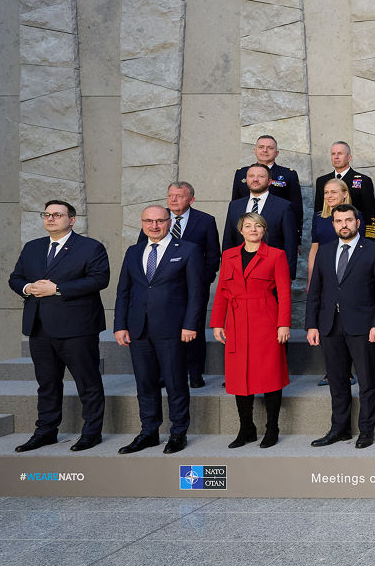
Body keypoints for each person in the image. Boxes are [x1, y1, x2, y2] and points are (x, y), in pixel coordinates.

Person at [9, 200, 110, 453]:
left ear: (72, 219)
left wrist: (57, 289)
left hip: (77, 327)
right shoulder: (33, 247)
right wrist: (27, 288)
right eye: (46, 214)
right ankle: (46, 431)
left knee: (87, 382)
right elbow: (15, 277)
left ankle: (91, 433)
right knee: (47, 383)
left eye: (57, 214)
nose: (50, 218)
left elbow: (100, 279)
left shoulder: (90, 247)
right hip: (40, 327)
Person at [114, 205, 205, 455]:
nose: (154, 226)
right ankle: (149, 432)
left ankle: (178, 433)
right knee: (145, 383)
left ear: (169, 222)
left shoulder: (187, 250)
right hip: (138, 329)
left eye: (160, 221)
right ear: (142, 223)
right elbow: (123, 291)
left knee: (176, 382)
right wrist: (120, 325)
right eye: (148, 221)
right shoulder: (133, 252)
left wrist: (190, 325)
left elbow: (196, 293)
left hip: (173, 329)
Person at [306, 205, 375, 450]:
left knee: (366, 381)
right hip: (329, 326)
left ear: (357, 222)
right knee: (337, 380)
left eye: (348, 220)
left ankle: (366, 430)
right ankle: (340, 429)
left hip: (363, 326)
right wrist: (312, 325)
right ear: (333, 224)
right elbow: (316, 293)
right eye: (338, 220)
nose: (344, 224)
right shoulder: (324, 251)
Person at [210, 212, 292, 449]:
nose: (253, 229)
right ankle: (247, 428)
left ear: (264, 230)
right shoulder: (229, 255)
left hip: (265, 321)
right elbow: (223, 292)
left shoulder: (276, 255)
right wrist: (217, 323)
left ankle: (272, 428)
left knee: (270, 376)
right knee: (238, 377)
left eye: (258, 225)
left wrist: (283, 324)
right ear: (241, 230)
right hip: (235, 323)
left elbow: (285, 293)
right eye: (248, 225)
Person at [136, 181, 219, 388]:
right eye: (171, 195)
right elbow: (141, 249)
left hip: (193, 288)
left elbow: (213, 255)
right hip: (161, 289)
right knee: (164, 332)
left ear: (191, 199)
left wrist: (201, 281)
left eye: (179, 196)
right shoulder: (156, 218)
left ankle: (195, 372)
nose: (173, 200)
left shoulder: (205, 221)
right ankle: (165, 373)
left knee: (194, 329)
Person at [309, 179, 361, 387]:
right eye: (326, 192)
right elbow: (314, 249)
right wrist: (312, 278)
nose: (329, 196)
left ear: (345, 194)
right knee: (327, 324)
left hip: (346, 277)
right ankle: (330, 371)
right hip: (324, 277)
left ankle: (347, 372)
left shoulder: (354, 218)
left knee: (344, 324)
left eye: (334, 192)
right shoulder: (318, 218)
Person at [223, 163, 299, 280]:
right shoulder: (235, 206)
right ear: (246, 179)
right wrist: (226, 271)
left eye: (261, 176)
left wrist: (287, 276)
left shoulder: (284, 206)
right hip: (239, 272)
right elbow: (229, 239)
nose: (255, 179)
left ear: (269, 181)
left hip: (272, 273)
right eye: (251, 176)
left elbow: (290, 243)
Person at [230, 134, 303, 229]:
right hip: (246, 230)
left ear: (277, 153)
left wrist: (296, 237)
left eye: (270, 148)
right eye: (261, 147)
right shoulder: (241, 173)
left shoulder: (288, 175)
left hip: (276, 230)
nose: (265, 150)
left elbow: (296, 208)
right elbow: (235, 205)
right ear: (255, 151)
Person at [313, 141, 375, 239]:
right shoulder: (322, 181)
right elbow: (318, 211)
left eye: (340, 154)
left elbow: (369, 213)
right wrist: (316, 237)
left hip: (354, 234)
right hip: (328, 234)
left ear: (349, 157)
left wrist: (369, 238)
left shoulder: (363, 180)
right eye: (333, 154)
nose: (336, 157)